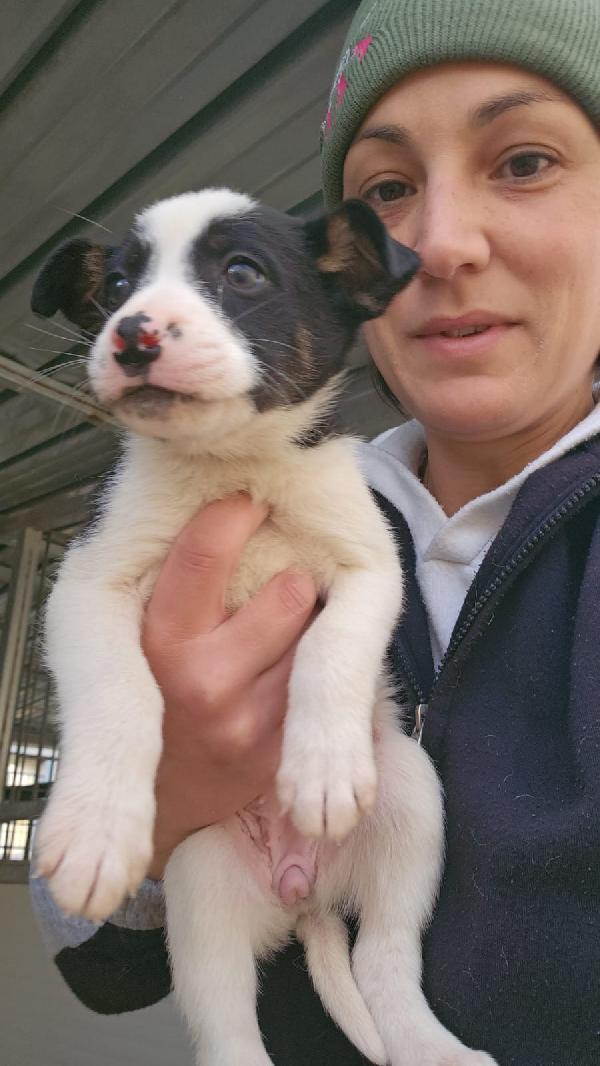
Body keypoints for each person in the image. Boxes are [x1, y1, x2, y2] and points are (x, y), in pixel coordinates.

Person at [31, 1, 600, 1063]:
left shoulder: (331, 494)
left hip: (373, 863)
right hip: (235, 879)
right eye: (387, 189)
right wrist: (152, 792)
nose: (436, 244)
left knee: (405, 804)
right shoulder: (329, 482)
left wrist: (332, 710)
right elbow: (97, 953)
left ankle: (390, 990)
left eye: (522, 161)